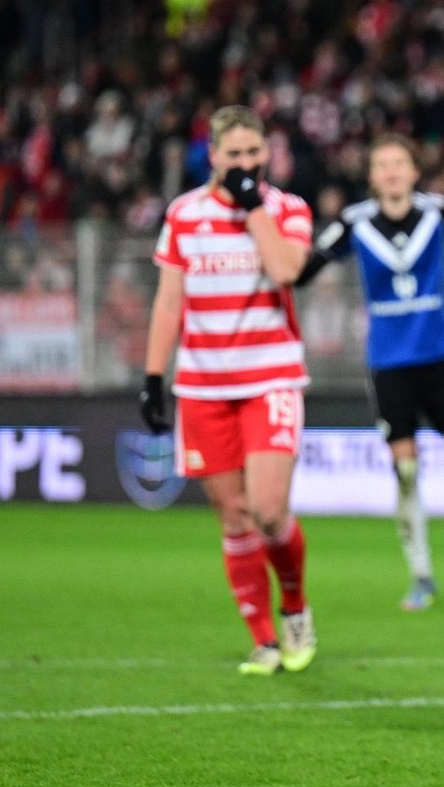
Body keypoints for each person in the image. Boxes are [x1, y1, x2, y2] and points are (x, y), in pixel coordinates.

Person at [294, 134, 444, 613]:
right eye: (383, 164)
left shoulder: (437, 212)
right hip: (389, 365)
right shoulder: (353, 223)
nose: (392, 171)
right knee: (405, 471)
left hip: (440, 358)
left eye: (400, 162)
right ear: (372, 176)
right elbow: (302, 271)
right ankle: (421, 575)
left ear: (414, 171)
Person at [139, 105, 318, 676]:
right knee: (233, 516)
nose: (244, 162)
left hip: (270, 378)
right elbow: (169, 300)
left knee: (268, 511)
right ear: (213, 156)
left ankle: (295, 606)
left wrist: (252, 207)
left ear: (267, 153)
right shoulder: (184, 214)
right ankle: (263, 640)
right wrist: (152, 377)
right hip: (203, 385)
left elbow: (286, 269)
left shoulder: (287, 208)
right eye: (233, 154)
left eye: (253, 152)